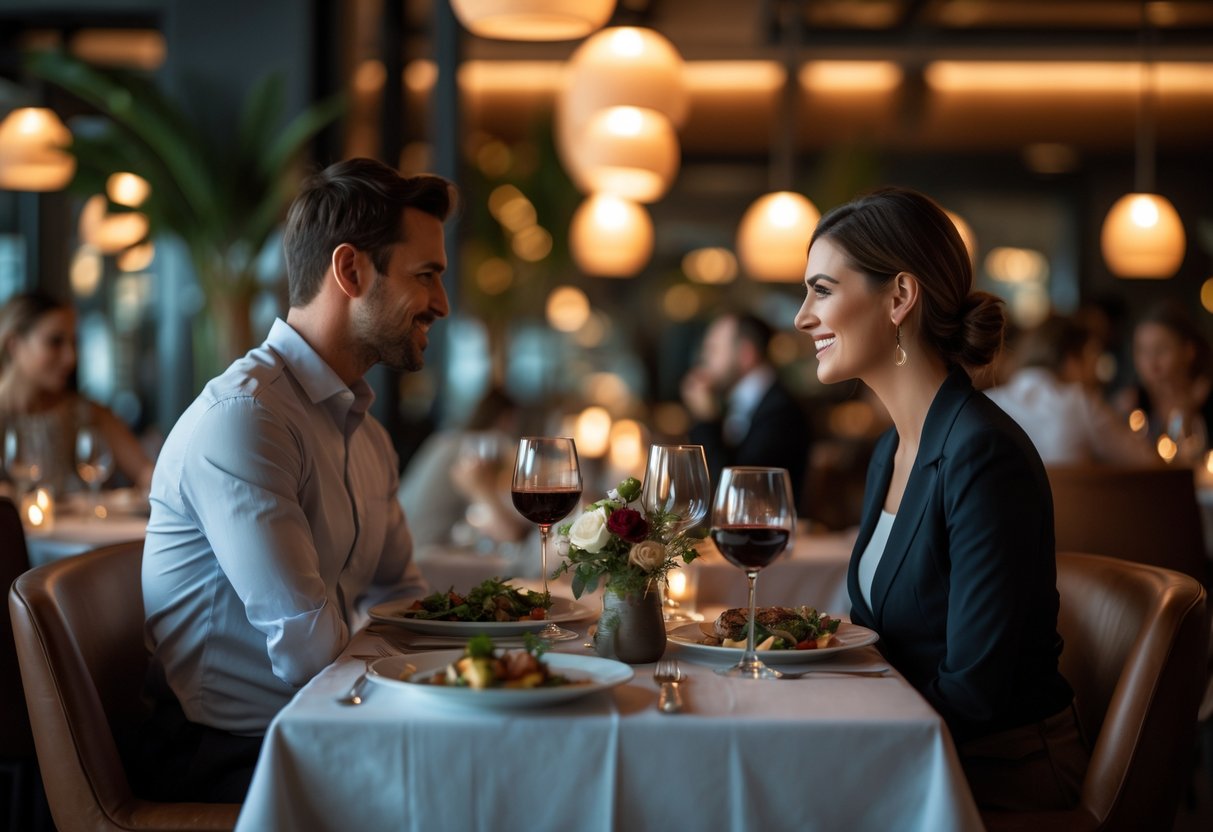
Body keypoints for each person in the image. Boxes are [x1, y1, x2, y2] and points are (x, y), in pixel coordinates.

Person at [139, 158, 454, 802]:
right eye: (426, 277)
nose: (441, 305)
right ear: (350, 271)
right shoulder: (246, 420)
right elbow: (307, 658)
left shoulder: (365, 431)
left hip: (326, 724)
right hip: (232, 756)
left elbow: (401, 592)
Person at [794, 186, 1086, 811]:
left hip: (998, 776)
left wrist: (831, 739)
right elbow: (878, 636)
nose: (802, 316)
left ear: (898, 297)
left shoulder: (984, 454)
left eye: (821, 290)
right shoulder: (891, 450)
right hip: (922, 748)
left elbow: (974, 693)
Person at [0, 290, 153, 495]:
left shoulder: (86, 413)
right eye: (55, 342)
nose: (70, 357)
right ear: (14, 345)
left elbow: (149, 475)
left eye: (74, 343)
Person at [985, 314, 1158, 466]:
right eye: (1092, 356)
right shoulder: (1080, 401)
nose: (1095, 371)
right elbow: (1146, 461)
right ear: (1071, 360)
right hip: (1070, 505)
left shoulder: (988, 402)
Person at [681, 312, 811, 512]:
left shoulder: (781, 413)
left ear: (745, 354)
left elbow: (739, 493)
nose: (704, 359)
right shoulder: (737, 401)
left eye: (712, 349)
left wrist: (706, 420)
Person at [397, 385, 530, 551]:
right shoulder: (484, 444)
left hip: (402, 539)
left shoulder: (447, 439)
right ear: (505, 418)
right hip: (425, 549)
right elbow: (511, 533)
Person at [1116, 299, 1213, 463]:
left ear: (1188, 351)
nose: (1151, 363)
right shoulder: (1132, 404)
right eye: (1142, 351)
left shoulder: (1207, 399)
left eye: (1161, 349)